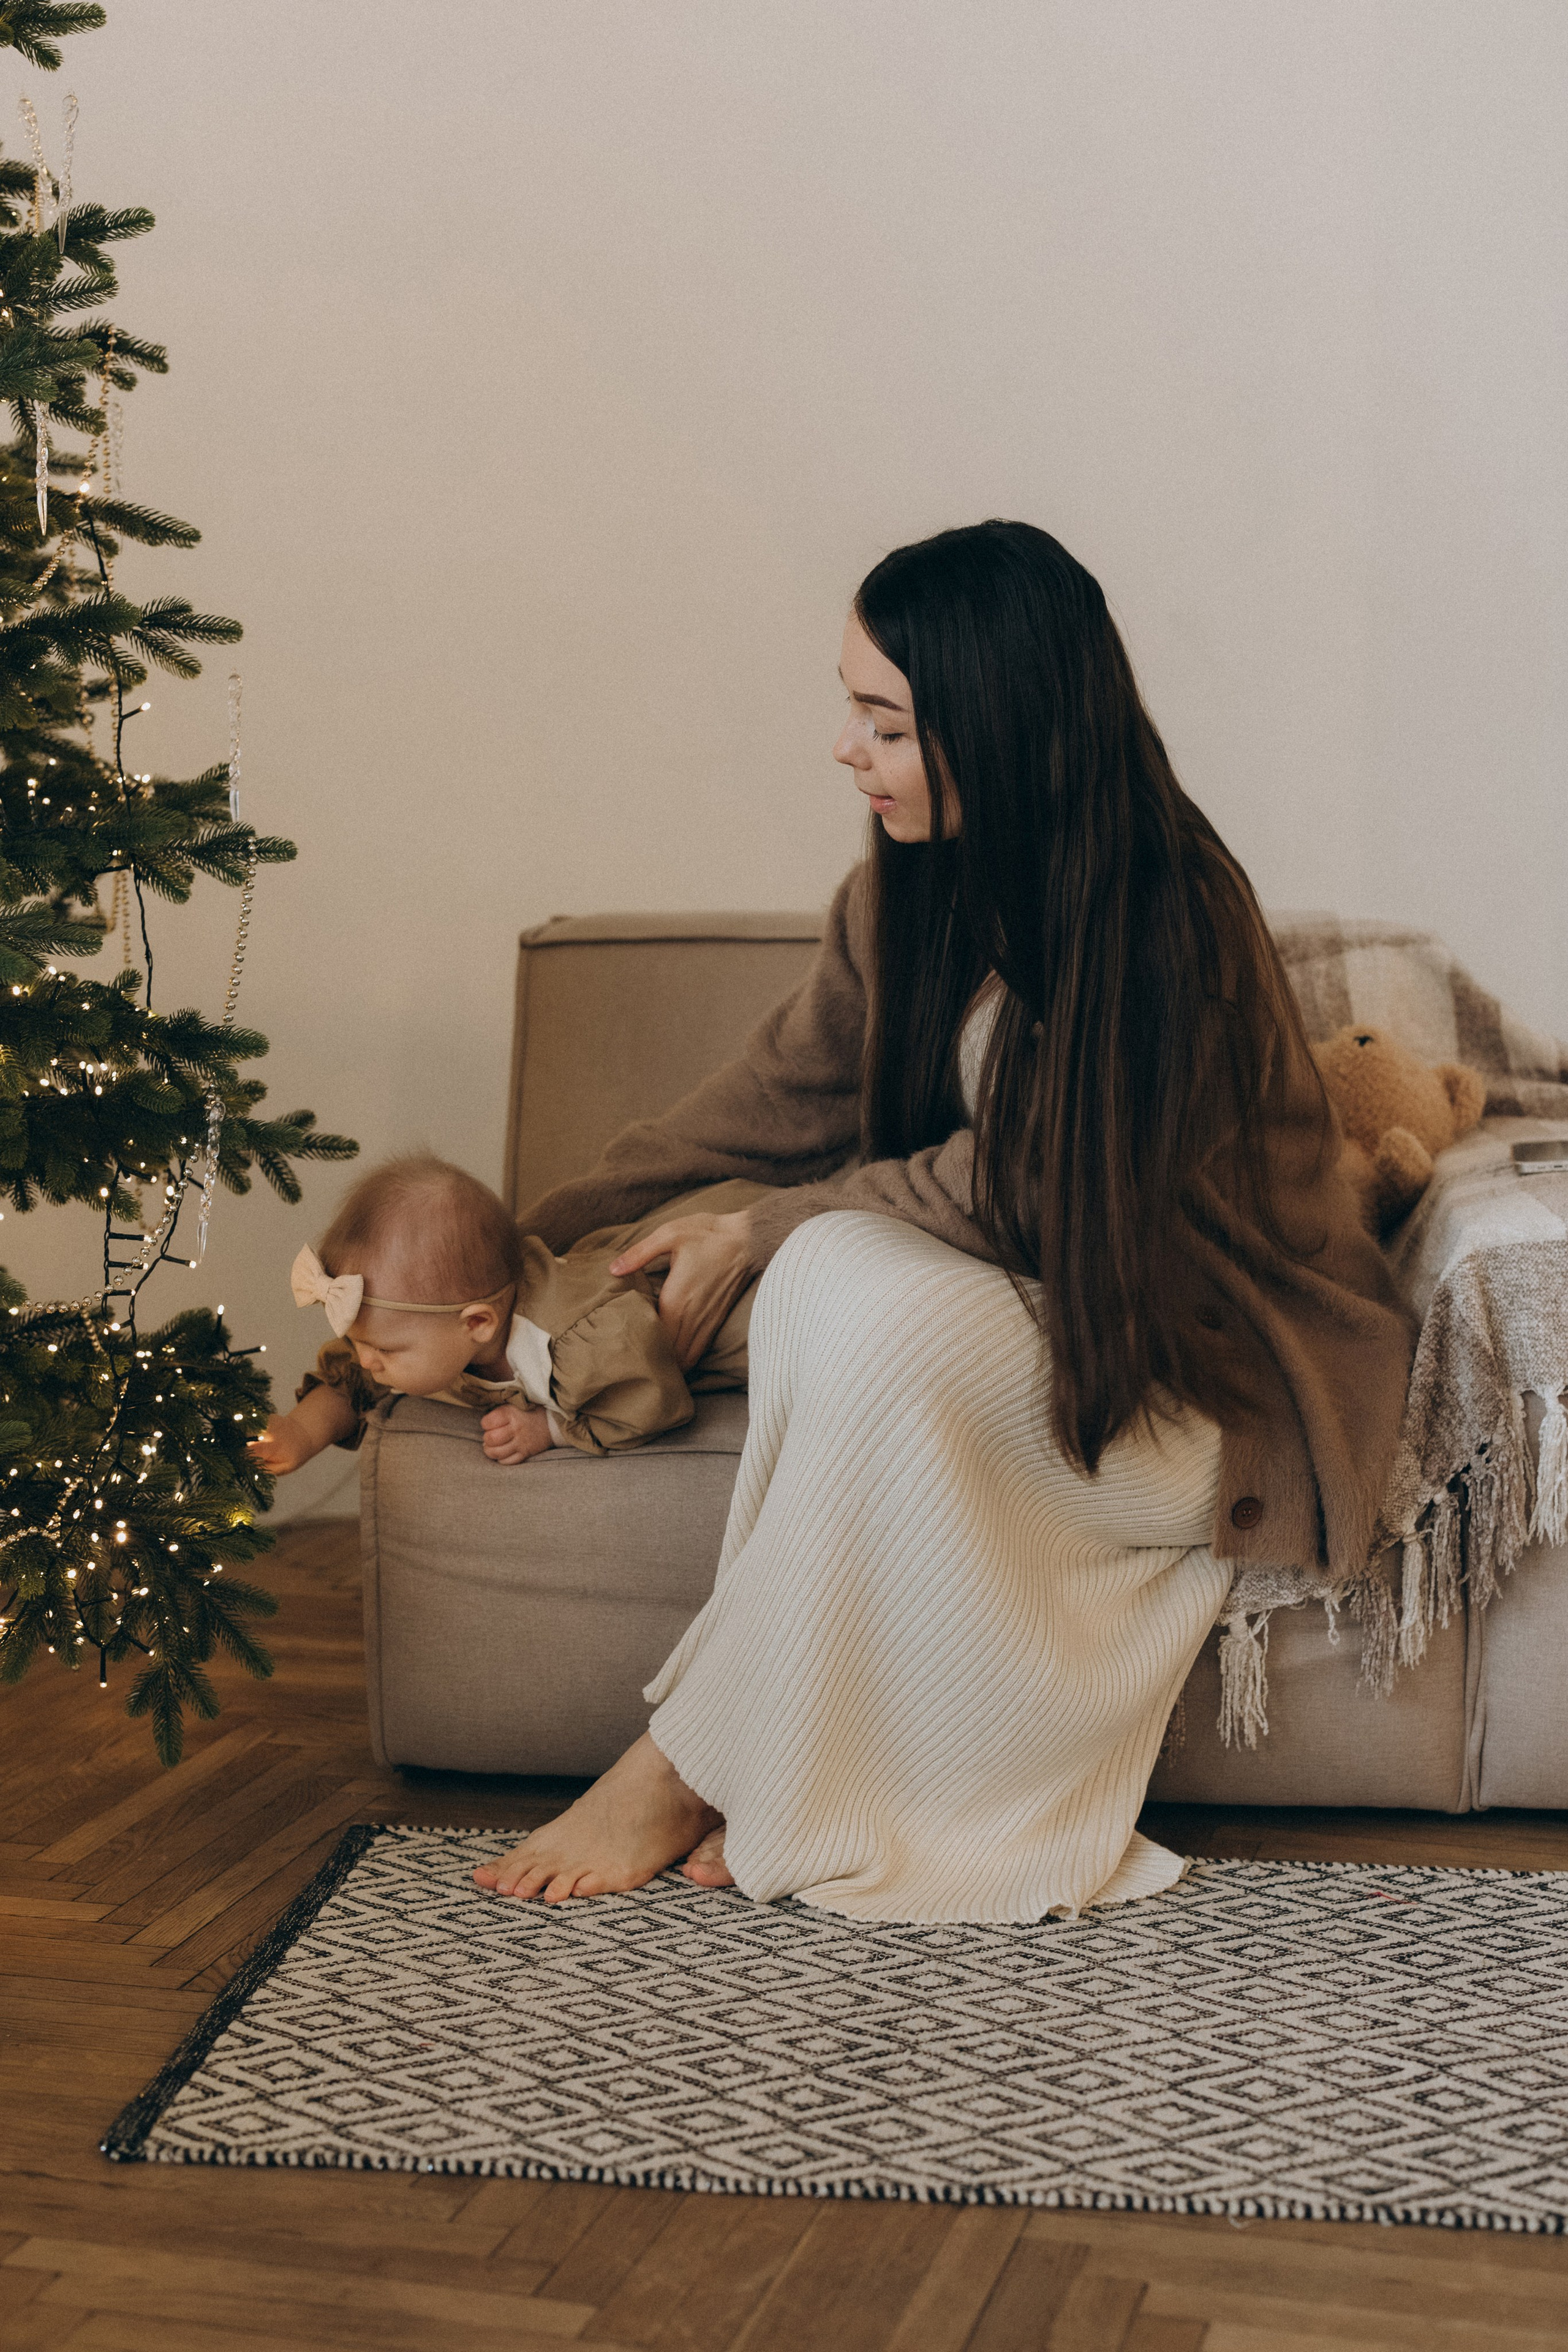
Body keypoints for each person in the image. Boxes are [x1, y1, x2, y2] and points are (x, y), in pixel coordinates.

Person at [473, 519, 1416, 1924]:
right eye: (847, 708)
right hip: (1066, 1348)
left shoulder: (1169, 918)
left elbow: (1038, 1181)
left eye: (883, 721)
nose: (844, 750)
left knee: (845, 1272)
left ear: (997, 720)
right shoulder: (897, 898)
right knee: (830, 1279)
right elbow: (745, 1116)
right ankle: (779, 1766)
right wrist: (506, 1258)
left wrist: (777, 1225)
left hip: (1199, 1393)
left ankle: (683, 1761)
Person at [250, 1154, 769, 1474]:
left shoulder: (575, 1341)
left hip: (734, 1297)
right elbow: (350, 1382)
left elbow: (650, 1401)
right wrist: (299, 1434)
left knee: (782, 1328)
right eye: (362, 1343)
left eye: (382, 1351)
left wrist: (547, 1428)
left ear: (478, 1323)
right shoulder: (419, 1332)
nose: (367, 1361)